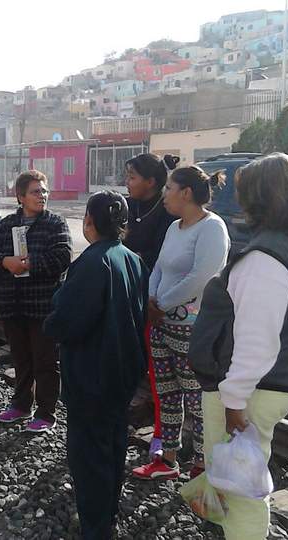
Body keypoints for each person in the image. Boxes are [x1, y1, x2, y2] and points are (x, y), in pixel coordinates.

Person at [188, 153, 288, 540]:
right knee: (236, 482)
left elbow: (256, 341)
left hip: (248, 390)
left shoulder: (266, 257)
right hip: (266, 382)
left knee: (240, 493)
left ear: (262, 196)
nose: (239, 198)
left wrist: (233, 402)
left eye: (244, 191)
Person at [44, 191, 149, 540]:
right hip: (123, 371)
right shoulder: (132, 259)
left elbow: (68, 322)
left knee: (88, 456)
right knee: (113, 446)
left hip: (92, 374)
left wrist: (51, 322)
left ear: (89, 221)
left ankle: (95, 527)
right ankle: (108, 515)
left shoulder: (91, 263)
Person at [132, 165, 230, 481]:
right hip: (161, 325)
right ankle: (168, 459)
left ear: (186, 193)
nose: (164, 194)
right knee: (168, 395)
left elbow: (201, 276)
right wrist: (151, 299)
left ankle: (202, 464)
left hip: (192, 330)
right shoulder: (175, 227)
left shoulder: (212, 228)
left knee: (197, 399)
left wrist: (160, 304)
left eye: (169, 188)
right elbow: (159, 267)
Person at [0, 170, 72, 433]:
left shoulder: (55, 223)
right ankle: (21, 404)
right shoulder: (7, 224)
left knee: (45, 362)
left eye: (44, 190)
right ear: (21, 196)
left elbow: (62, 257)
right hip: (12, 305)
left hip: (42, 306)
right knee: (21, 359)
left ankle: (46, 413)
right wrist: (5, 262)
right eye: (35, 191)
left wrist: (29, 263)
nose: (42, 195)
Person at [123, 152, 180, 458]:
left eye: (132, 177)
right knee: (126, 364)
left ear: (151, 182)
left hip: (154, 300)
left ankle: (162, 434)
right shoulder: (126, 206)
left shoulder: (167, 213)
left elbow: (160, 259)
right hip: (124, 295)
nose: (127, 182)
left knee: (160, 374)